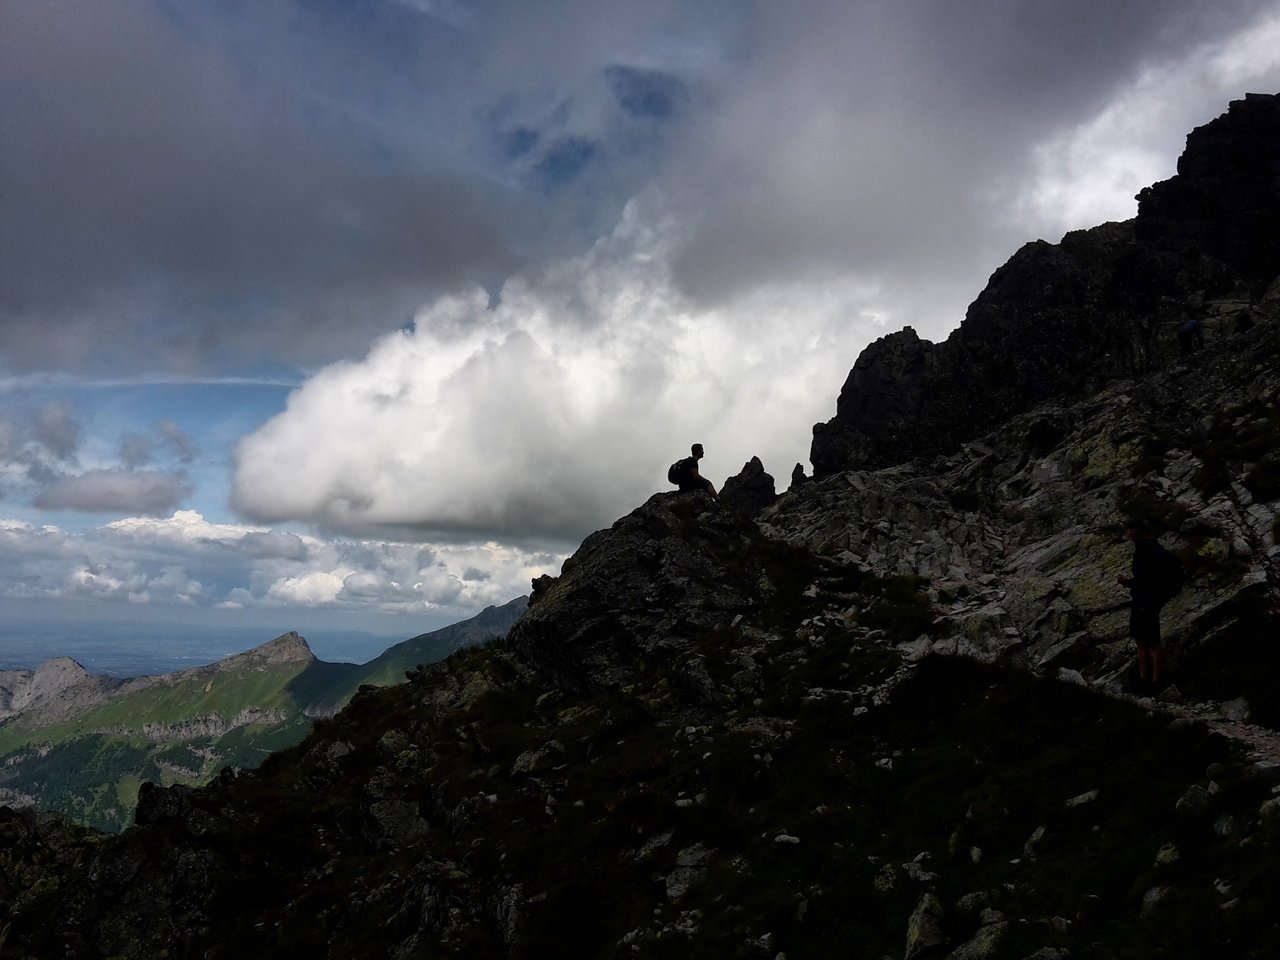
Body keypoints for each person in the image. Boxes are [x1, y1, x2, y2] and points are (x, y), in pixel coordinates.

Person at [1116, 519, 1181, 691]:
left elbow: (1148, 580)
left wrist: (1128, 583)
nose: (1132, 538)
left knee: (1152, 642)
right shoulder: (1144, 549)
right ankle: (1144, 679)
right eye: (1129, 534)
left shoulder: (1153, 551)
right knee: (1140, 640)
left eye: (1134, 534)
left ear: (1143, 533)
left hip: (1149, 601)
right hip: (1141, 599)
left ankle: (1155, 681)